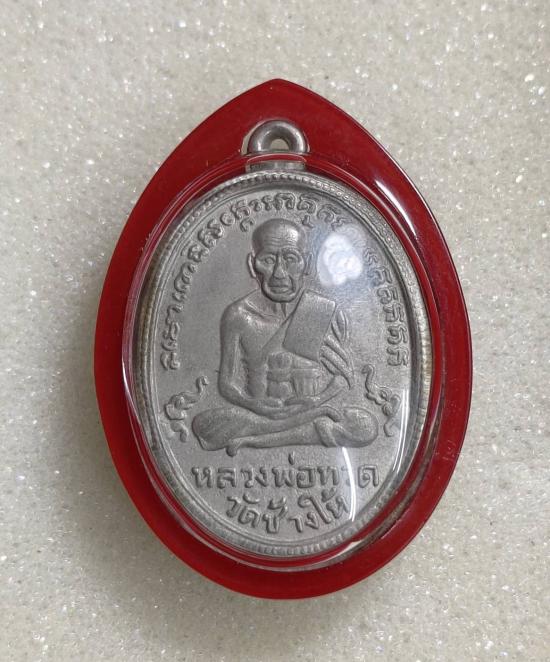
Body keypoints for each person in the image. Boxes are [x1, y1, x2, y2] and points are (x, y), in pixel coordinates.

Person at [192, 218, 378, 455]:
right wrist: (254, 405)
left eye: (291, 259)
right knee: (204, 424)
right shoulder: (238, 315)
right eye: (268, 260)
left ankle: (260, 437)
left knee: (366, 427)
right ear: (252, 265)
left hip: (309, 409)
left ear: (306, 263)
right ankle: (289, 431)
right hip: (258, 413)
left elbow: (342, 378)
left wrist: (317, 401)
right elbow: (227, 384)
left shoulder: (322, 310)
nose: (279, 273)